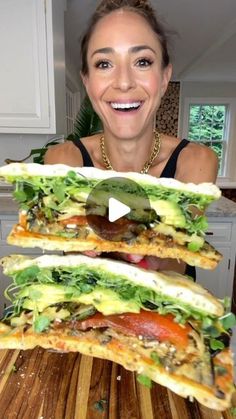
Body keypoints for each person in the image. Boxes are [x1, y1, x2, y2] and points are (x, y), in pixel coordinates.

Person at [44, 0, 218, 276]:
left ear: (163, 78)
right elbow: (71, 257)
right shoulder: (62, 160)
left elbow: (182, 258)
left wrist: (155, 255)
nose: (124, 82)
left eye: (142, 61)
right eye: (104, 63)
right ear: (87, 83)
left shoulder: (196, 161)